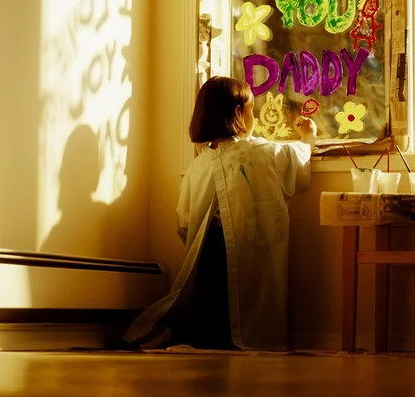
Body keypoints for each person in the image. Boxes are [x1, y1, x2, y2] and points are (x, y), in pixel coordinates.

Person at [123, 76, 317, 351]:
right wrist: (308, 137)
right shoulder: (258, 152)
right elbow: (295, 161)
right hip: (245, 248)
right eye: (251, 110)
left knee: (208, 302)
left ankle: (179, 332)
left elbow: (184, 220)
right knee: (242, 301)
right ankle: (193, 335)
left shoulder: (198, 165)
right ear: (239, 113)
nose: (254, 116)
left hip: (208, 250)